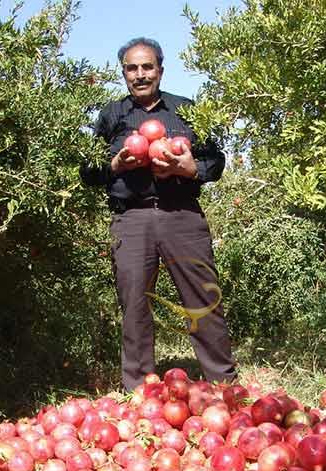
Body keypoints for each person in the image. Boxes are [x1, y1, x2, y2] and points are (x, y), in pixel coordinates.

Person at [80, 37, 237, 391]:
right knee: (134, 303)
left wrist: (188, 167)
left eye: (147, 67)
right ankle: (139, 391)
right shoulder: (111, 116)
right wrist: (115, 163)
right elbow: (87, 171)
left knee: (203, 298)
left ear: (160, 71)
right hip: (131, 219)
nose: (140, 74)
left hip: (182, 215)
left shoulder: (186, 110)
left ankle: (223, 384)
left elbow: (216, 162)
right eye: (132, 68)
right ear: (123, 73)